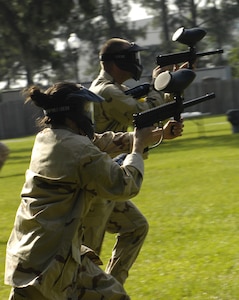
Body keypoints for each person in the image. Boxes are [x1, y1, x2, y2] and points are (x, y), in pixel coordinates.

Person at [4, 82, 180, 300]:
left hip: (43, 252)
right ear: (72, 115)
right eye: (85, 110)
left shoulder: (50, 138)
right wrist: (137, 149)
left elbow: (101, 142)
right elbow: (125, 185)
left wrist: (155, 134)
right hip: (48, 262)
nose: (88, 116)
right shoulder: (76, 148)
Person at [83, 37, 184, 284]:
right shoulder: (105, 91)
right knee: (86, 255)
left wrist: (172, 86)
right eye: (131, 57)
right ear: (118, 62)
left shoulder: (116, 89)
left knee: (135, 227)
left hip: (110, 179)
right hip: (97, 184)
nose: (135, 62)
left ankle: (111, 289)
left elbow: (151, 111)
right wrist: (159, 86)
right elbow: (144, 115)